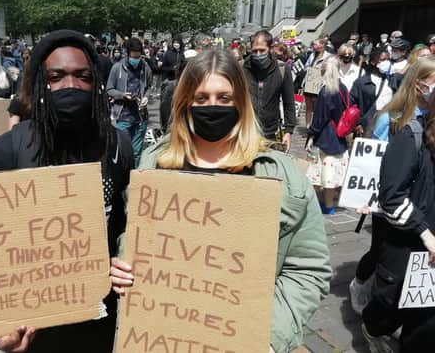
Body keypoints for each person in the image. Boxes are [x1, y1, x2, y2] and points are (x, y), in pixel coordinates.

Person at [111, 49, 331, 353]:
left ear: (240, 102)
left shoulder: (280, 174)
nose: (211, 107)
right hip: (162, 336)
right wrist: (123, 266)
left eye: (223, 98)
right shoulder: (155, 164)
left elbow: (307, 271)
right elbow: (138, 242)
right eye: (201, 99)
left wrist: (265, 339)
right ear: (185, 102)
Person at [0, 29, 132, 353]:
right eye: (57, 76)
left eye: (83, 76)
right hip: (35, 320)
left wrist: (124, 261)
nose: (71, 86)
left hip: (99, 314)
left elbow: (124, 224)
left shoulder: (117, 145)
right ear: (40, 84)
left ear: (96, 83)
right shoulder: (7, 150)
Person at [350, 57, 435, 326]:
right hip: (390, 202)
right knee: (380, 251)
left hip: (418, 204)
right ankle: (363, 287)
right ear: (419, 84)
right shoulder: (394, 117)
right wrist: (365, 196)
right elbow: (373, 158)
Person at [305, 56, 349, 215]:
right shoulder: (343, 88)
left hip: (325, 136)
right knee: (331, 174)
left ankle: (316, 202)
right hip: (339, 135)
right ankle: (329, 204)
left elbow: (319, 117)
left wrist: (311, 135)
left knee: (317, 172)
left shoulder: (326, 91)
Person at [244, 31, 295, 151]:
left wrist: (288, 131)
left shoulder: (282, 70)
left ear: (270, 49)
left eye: (262, 50)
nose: (258, 54)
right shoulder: (242, 68)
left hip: (270, 132)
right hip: (246, 131)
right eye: (255, 51)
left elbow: (289, 103)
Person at [107, 37, 152, 166]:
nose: (136, 60)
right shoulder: (117, 68)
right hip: (122, 116)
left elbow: (149, 86)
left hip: (140, 116)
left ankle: (134, 178)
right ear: (127, 54)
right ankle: (121, 177)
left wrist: (146, 97)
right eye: (134, 57)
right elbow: (109, 89)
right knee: (121, 150)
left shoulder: (145, 67)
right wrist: (122, 95)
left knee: (136, 152)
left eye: (138, 57)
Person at [349, 48, 392, 137]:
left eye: (388, 60)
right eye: (383, 60)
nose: (386, 63)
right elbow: (352, 105)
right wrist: (357, 124)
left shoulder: (392, 81)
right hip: (367, 128)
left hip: (387, 129)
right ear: (373, 62)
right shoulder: (361, 83)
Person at [303, 38, 329, 128]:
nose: (313, 46)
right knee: (308, 107)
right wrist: (309, 70)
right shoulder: (312, 55)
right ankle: (308, 126)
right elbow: (306, 67)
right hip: (310, 82)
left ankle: (316, 125)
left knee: (318, 107)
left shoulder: (328, 57)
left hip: (320, 83)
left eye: (315, 44)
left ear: (322, 45)